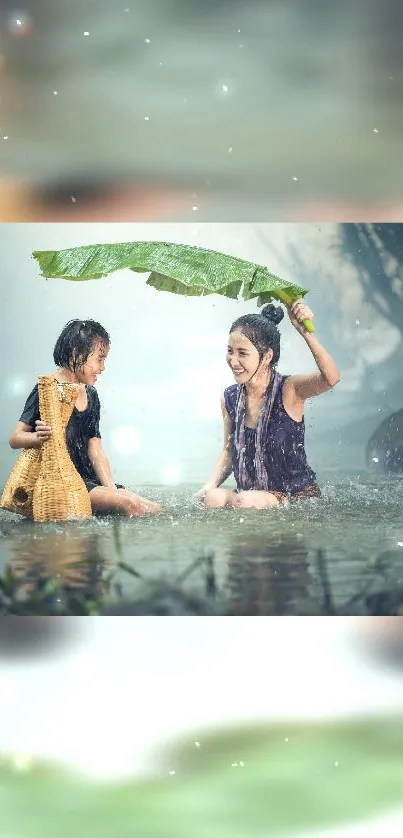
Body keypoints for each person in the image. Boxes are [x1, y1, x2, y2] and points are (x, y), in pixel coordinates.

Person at [8, 319, 163, 517]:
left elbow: (95, 448)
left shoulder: (91, 394)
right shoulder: (47, 390)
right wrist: (36, 438)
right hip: (63, 484)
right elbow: (15, 438)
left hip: (88, 481)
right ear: (77, 353)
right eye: (100, 359)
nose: (103, 367)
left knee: (154, 509)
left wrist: (112, 488)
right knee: (129, 505)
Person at [196, 299, 340, 509]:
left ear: (266, 357)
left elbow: (331, 378)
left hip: (295, 497)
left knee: (244, 500)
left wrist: (305, 333)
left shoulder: (289, 390)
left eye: (242, 353)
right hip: (250, 497)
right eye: (230, 351)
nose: (233, 361)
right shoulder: (229, 397)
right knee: (212, 498)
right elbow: (229, 450)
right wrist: (208, 486)